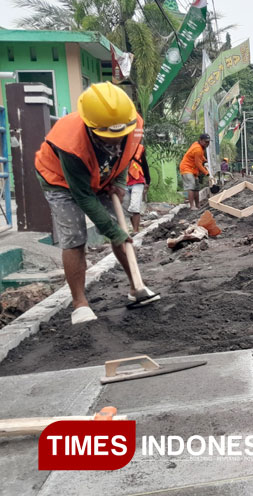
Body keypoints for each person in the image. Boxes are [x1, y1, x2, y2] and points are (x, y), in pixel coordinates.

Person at [35, 82, 159, 324]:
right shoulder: (70, 143)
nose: (115, 142)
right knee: (75, 238)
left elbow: (126, 155)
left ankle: (137, 285)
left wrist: (120, 183)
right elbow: (82, 195)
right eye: (108, 137)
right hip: (60, 181)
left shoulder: (132, 124)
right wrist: (111, 230)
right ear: (91, 127)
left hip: (102, 176)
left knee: (121, 231)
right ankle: (79, 303)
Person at [179, 133, 211, 210]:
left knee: (196, 187)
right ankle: (192, 206)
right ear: (201, 140)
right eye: (206, 142)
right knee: (191, 186)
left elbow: (200, 157)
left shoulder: (197, 145)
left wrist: (204, 159)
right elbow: (198, 164)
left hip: (193, 170)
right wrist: (206, 173)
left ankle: (197, 205)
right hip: (187, 168)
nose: (207, 143)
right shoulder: (198, 149)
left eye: (208, 142)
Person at [124, 142, 150, 233]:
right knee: (128, 208)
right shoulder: (117, 147)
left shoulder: (139, 148)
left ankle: (136, 230)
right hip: (124, 182)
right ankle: (134, 229)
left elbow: (145, 165)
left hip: (138, 181)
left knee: (135, 206)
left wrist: (148, 181)